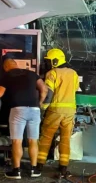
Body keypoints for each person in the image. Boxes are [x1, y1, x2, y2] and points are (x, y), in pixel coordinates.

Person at [0, 59, 47, 179]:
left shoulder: (7, 75)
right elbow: (44, 90)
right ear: (16, 65)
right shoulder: (31, 74)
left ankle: (16, 171)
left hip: (18, 110)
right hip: (34, 110)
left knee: (16, 141)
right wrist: (39, 103)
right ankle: (34, 170)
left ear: (5, 67)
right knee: (33, 141)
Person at [37, 48, 79, 178]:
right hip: (70, 111)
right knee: (65, 139)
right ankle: (63, 168)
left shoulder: (52, 73)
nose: (47, 64)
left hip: (55, 110)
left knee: (46, 137)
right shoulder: (73, 73)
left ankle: (39, 165)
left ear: (55, 61)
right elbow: (75, 90)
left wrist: (42, 107)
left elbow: (49, 94)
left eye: (49, 61)